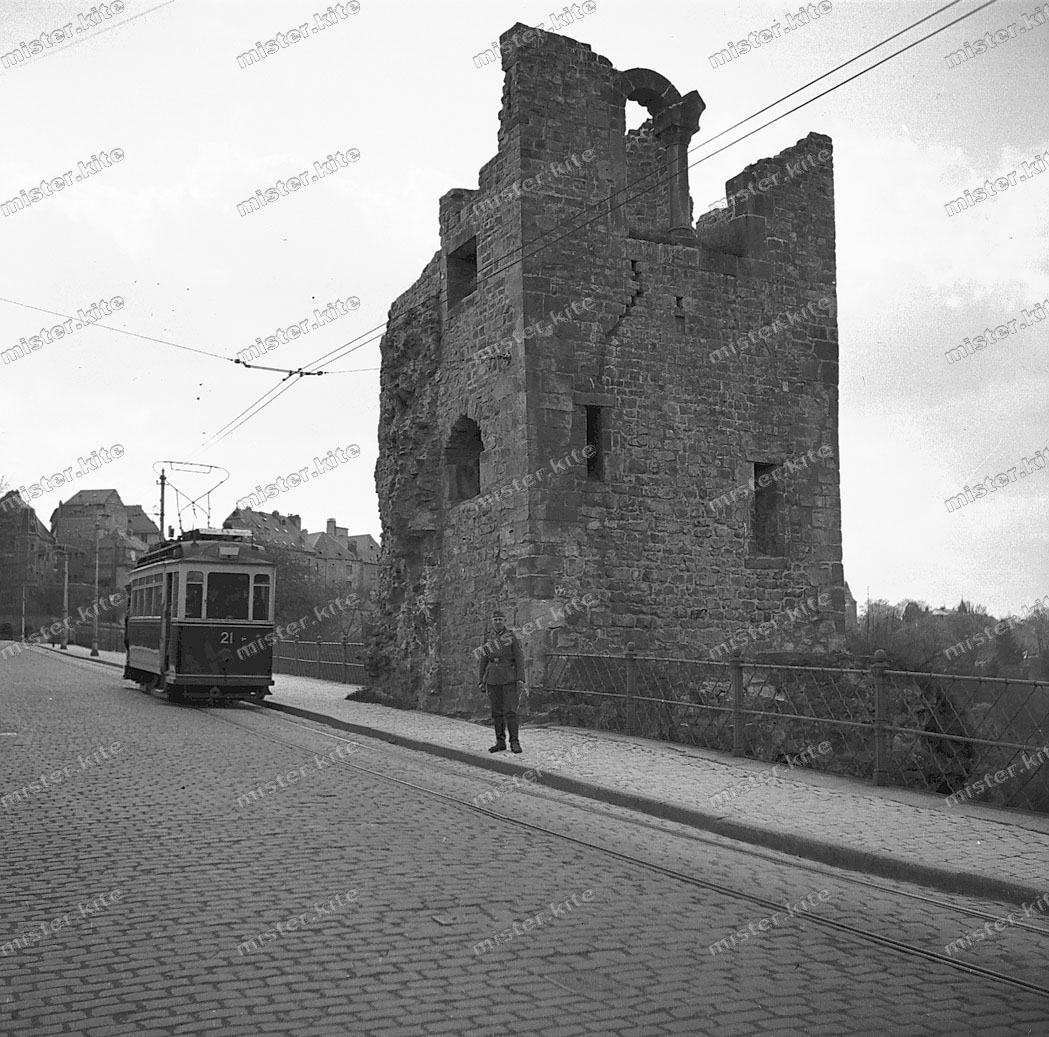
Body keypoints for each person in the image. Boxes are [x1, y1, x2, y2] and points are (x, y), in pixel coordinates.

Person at [477, 609, 525, 753]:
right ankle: (500, 741)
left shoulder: (511, 636)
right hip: (492, 678)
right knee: (496, 712)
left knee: (510, 712)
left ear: (505, 621)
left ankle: (514, 742)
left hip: (508, 677)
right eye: (495, 619)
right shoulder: (488, 638)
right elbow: (483, 660)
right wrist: (481, 680)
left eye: (500, 619)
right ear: (492, 621)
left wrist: (520, 678)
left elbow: (519, 658)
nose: (497, 622)